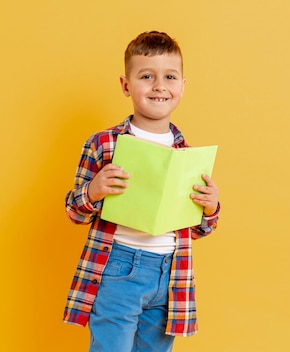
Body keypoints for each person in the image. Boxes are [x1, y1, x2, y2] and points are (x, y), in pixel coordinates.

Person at [62, 31, 220, 352]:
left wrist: (210, 207)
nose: (159, 85)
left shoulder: (187, 156)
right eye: (147, 76)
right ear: (126, 85)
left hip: (170, 273)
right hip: (118, 268)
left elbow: (201, 229)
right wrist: (92, 191)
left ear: (182, 87)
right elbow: (73, 210)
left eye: (169, 77)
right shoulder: (104, 144)